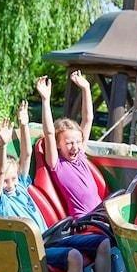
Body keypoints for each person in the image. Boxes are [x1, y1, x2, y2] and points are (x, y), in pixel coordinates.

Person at [0, 100, 136, 272]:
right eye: (7, 180)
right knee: (74, 256)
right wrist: (2, 145)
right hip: (34, 248)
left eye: (13, 179)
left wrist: (24, 124)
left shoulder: (23, 187)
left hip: (53, 237)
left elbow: (27, 154)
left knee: (102, 243)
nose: (11, 184)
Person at [40, 71, 104, 218]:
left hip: (101, 215)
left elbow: (88, 119)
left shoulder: (80, 155)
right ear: (58, 144)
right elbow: (49, 132)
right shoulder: (57, 164)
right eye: (69, 143)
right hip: (84, 221)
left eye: (78, 142)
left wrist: (86, 88)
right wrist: (45, 100)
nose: (75, 147)